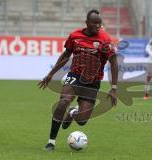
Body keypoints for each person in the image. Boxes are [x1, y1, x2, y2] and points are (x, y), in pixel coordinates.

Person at [38, 9, 118, 151]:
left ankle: (73, 112)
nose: (98, 26)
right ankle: (51, 142)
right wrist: (51, 74)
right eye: (95, 23)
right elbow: (65, 56)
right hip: (75, 76)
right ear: (87, 23)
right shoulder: (75, 36)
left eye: (100, 23)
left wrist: (114, 87)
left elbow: (114, 62)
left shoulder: (105, 40)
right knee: (63, 101)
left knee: (81, 121)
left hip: (93, 81)